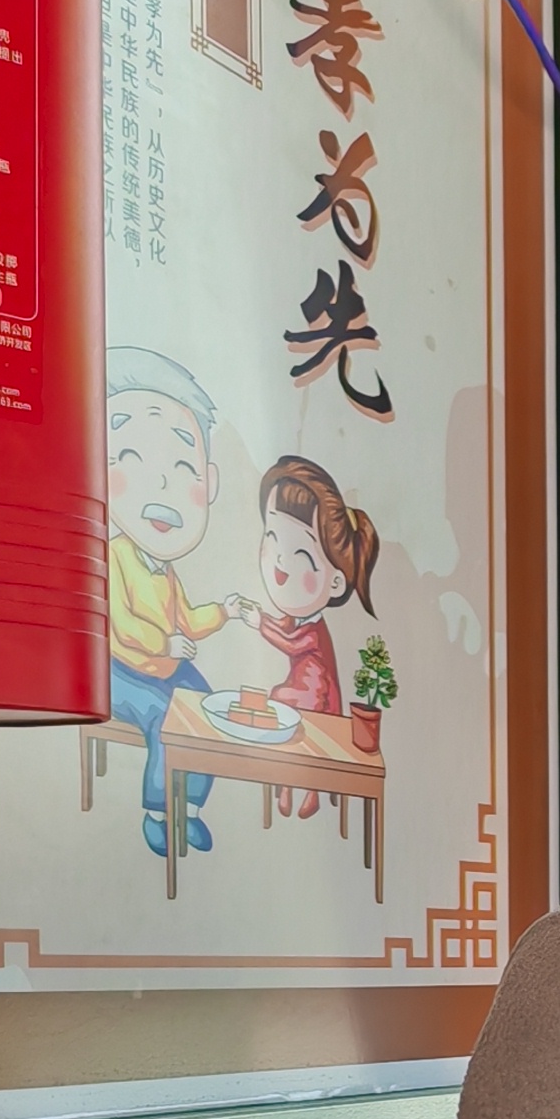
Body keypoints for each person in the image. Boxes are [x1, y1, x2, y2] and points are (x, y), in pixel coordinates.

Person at [102, 348, 231, 858]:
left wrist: (225, 612)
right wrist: (165, 643)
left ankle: (190, 807)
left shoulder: (167, 571)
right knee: (166, 719)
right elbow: (120, 622)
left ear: (208, 481)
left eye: (181, 466)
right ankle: (158, 812)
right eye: (133, 460)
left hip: (165, 667)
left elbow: (188, 621)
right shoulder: (114, 555)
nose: (161, 486)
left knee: (208, 711)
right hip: (119, 669)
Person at [229, 455, 377, 817]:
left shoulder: (314, 630)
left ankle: (309, 792)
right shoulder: (296, 619)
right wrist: (260, 616)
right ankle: (284, 788)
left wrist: (257, 624)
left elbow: (292, 644)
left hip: (316, 693)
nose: (281, 562)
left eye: (301, 554)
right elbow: (284, 629)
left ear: (336, 581)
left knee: (279, 704)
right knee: (279, 715)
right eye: (272, 538)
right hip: (302, 686)